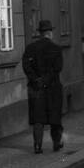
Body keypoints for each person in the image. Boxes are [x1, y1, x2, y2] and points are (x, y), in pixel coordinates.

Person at [22, 19, 64, 153]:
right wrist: (46, 80)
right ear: (50, 33)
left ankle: (37, 146)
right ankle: (56, 144)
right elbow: (57, 68)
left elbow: (26, 66)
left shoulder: (30, 48)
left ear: (40, 33)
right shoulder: (56, 48)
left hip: (36, 88)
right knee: (55, 117)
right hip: (52, 87)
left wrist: (36, 80)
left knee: (38, 118)